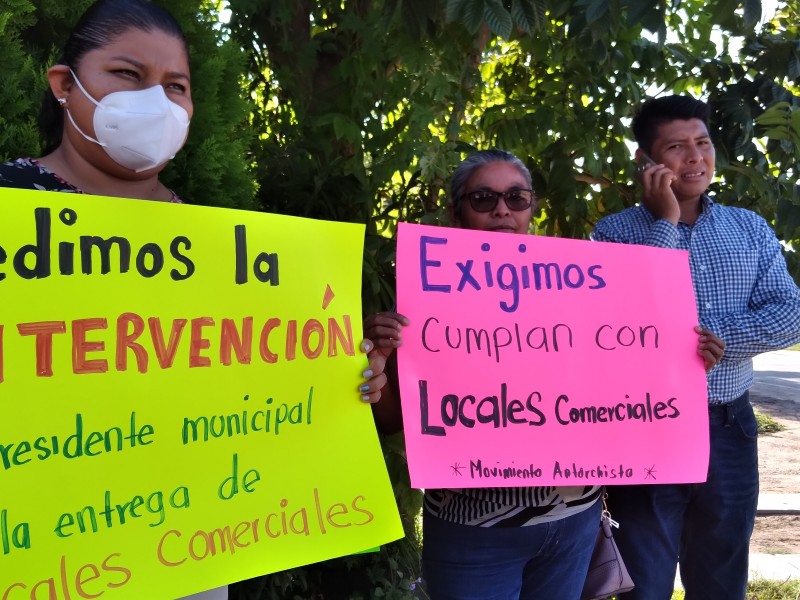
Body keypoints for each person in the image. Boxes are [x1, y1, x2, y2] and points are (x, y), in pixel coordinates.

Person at [0, 2, 389, 599]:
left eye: (174, 86)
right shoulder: (10, 205)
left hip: (187, 542)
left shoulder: (220, 244)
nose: (154, 101)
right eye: (128, 75)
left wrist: (343, 374)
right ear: (64, 85)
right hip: (45, 549)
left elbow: (251, 382)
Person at [364, 149, 604, 599]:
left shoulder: (584, 287)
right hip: (474, 529)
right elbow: (394, 421)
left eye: (517, 197)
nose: (502, 210)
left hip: (574, 517)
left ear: (532, 207)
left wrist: (680, 362)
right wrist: (376, 365)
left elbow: (624, 377)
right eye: (483, 198)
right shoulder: (423, 295)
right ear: (458, 211)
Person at [591, 95, 800, 599]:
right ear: (647, 161)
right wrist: (663, 223)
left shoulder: (748, 228)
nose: (695, 157)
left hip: (727, 425)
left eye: (702, 143)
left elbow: (790, 314)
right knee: (644, 579)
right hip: (645, 426)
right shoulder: (611, 235)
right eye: (677, 147)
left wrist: (718, 338)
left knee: (722, 575)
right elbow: (616, 328)